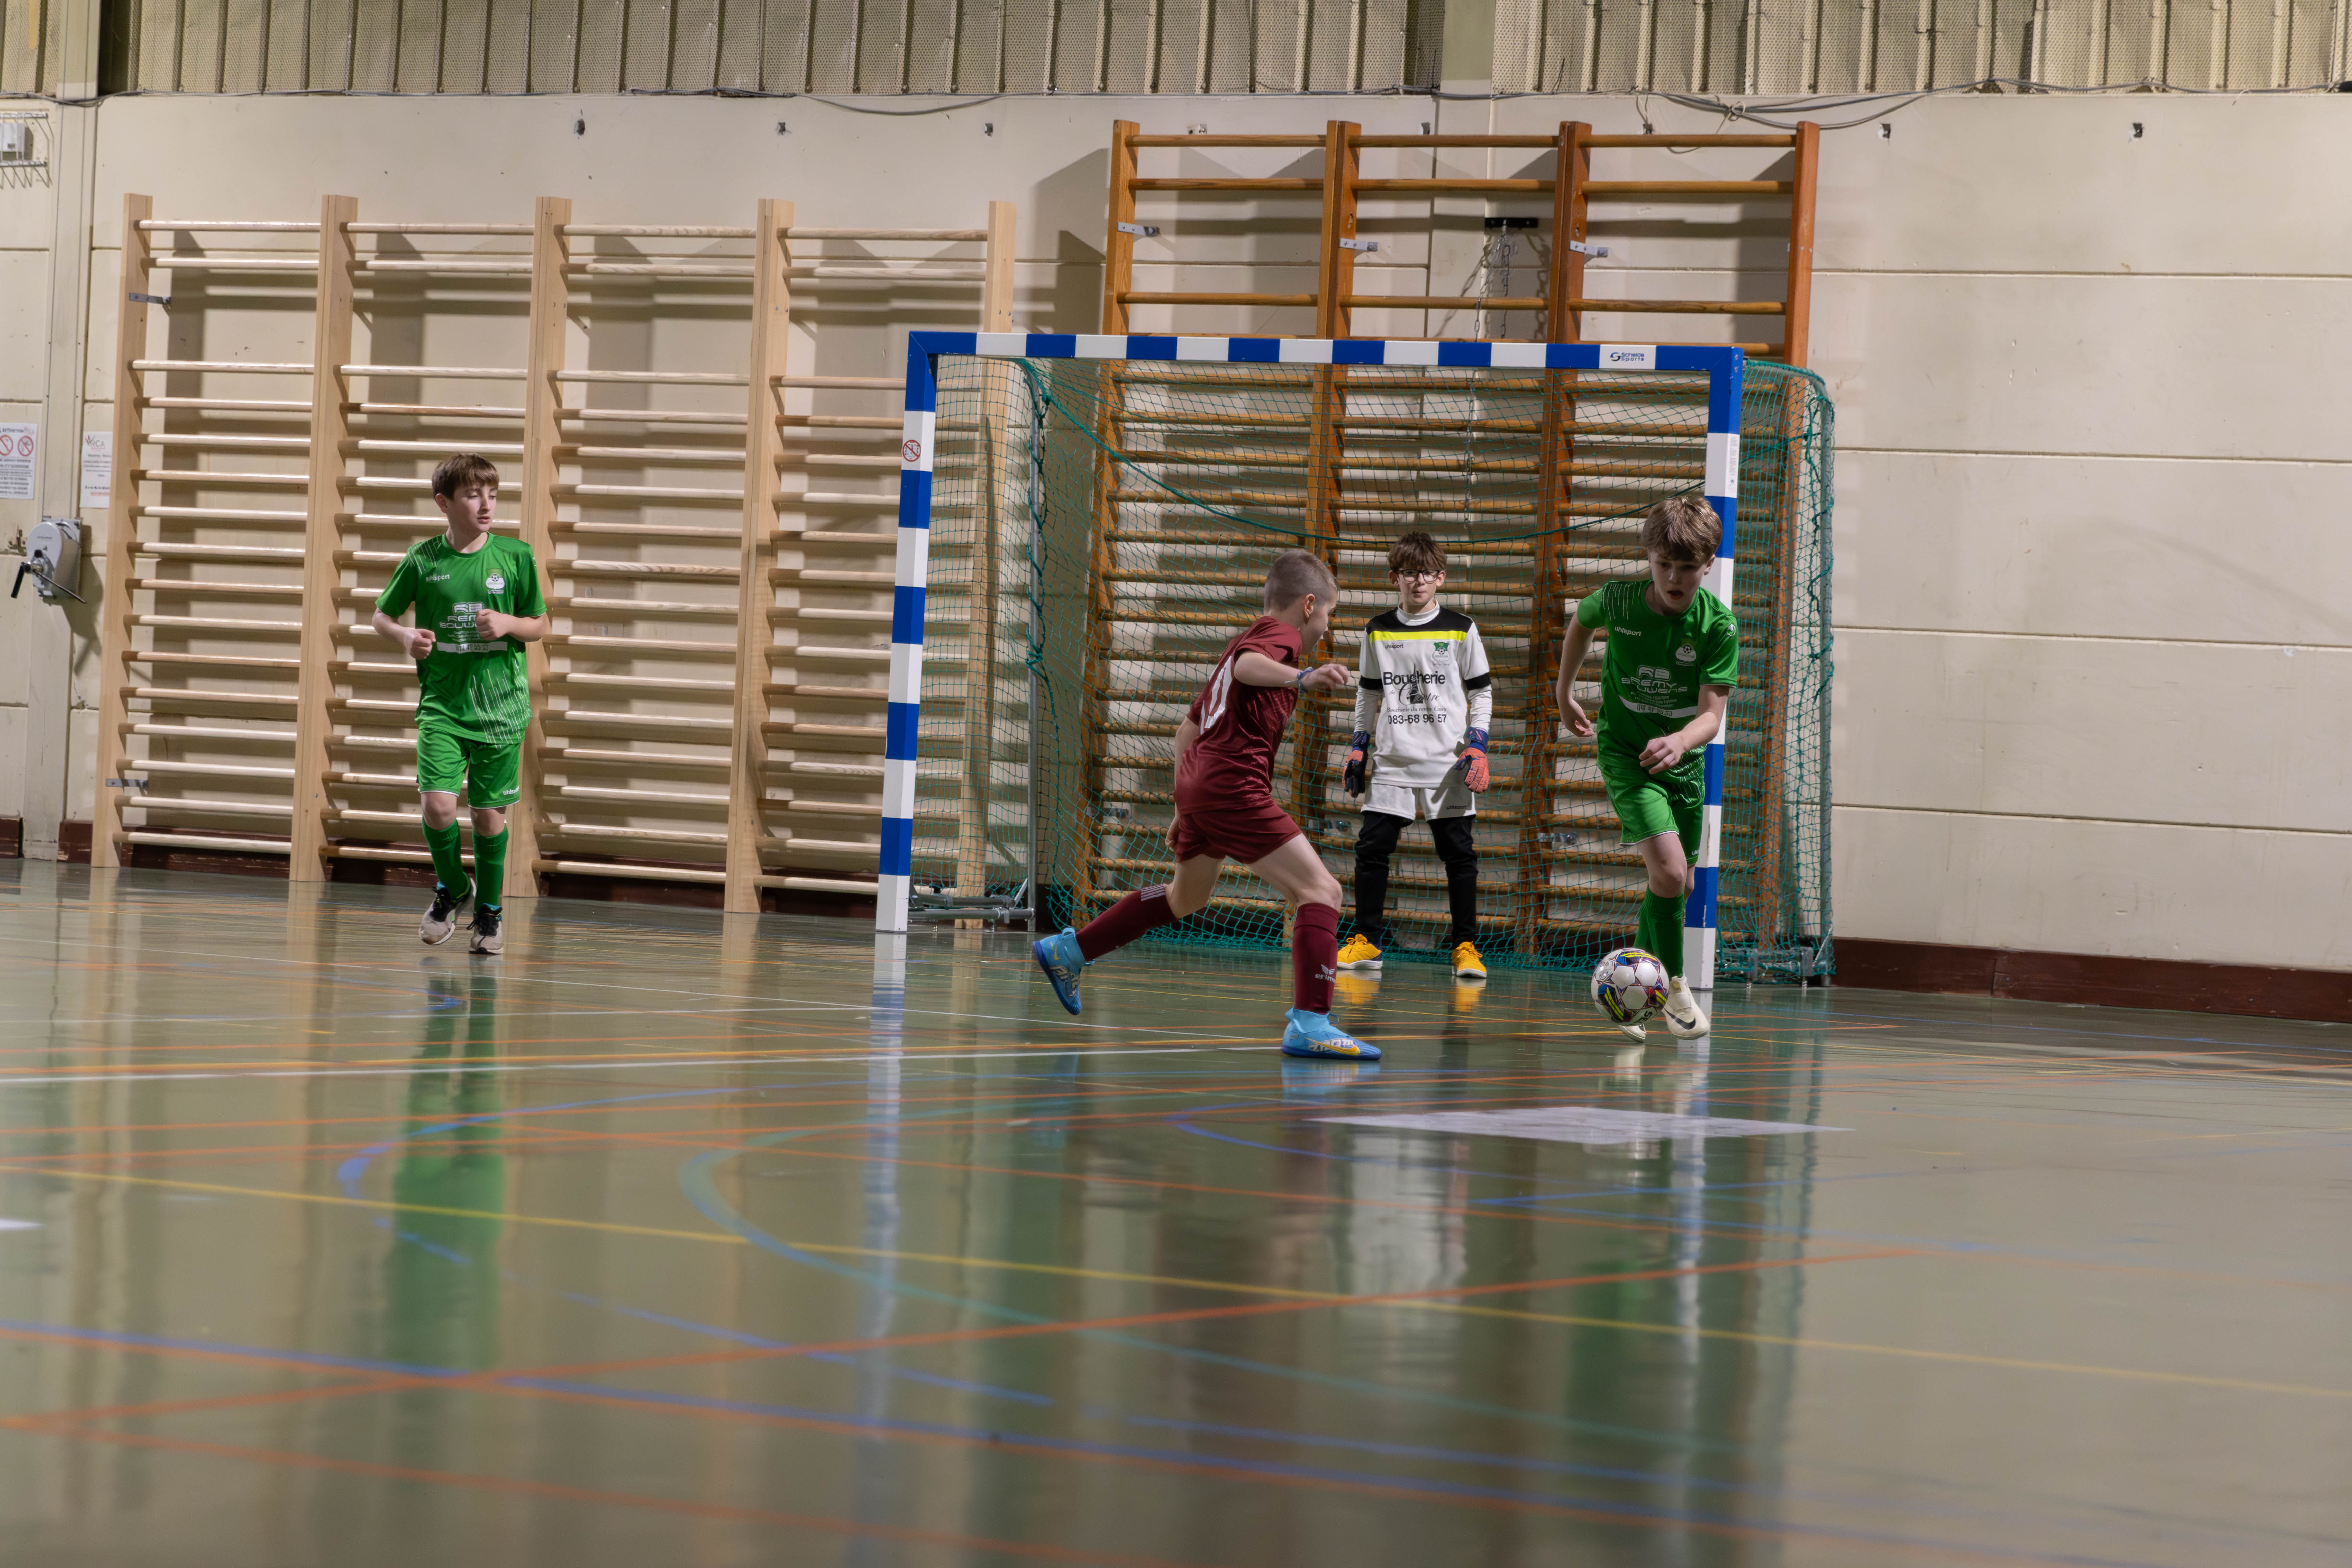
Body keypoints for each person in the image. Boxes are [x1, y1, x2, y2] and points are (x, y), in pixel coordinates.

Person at [1032, 549, 1376, 1060]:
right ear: (1308, 605)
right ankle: (1311, 1023)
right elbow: (1248, 667)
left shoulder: (1239, 642)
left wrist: (1184, 805)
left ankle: (1070, 950)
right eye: (1327, 614)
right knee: (1322, 892)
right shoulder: (1277, 639)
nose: (1326, 629)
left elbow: (1185, 734)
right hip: (1232, 785)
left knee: (1185, 898)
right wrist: (1301, 678)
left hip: (1201, 784)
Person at [1553, 496, 1738, 1041]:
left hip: (1683, 762)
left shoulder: (1718, 626)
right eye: (1664, 565)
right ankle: (1676, 989)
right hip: (1628, 755)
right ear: (1649, 560)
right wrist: (1565, 691)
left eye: (1687, 567)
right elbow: (1581, 624)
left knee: (1678, 884)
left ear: (1709, 564)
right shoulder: (1620, 602)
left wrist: (1680, 741)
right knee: (1673, 873)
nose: (1674, 578)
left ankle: (1631, 995)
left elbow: (1712, 716)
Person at [371, 453, 547, 955]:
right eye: (473, 495)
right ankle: (453, 886)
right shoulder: (422, 560)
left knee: (489, 818)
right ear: (444, 503)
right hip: (443, 708)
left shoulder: (516, 557)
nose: (486, 504)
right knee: (438, 806)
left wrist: (509, 624)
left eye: (492, 495)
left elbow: (539, 623)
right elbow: (381, 617)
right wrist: (406, 637)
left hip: (501, 711)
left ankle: (489, 911)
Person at [1336, 530, 1494, 982]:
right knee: (1372, 849)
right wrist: (1358, 747)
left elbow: (1482, 693)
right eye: (1409, 573)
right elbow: (1368, 695)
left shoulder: (1462, 628)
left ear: (1440, 578)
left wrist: (1478, 744)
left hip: (1448, 763)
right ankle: (1367, 940)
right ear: (1394, 578)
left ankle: (1465, 947)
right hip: (1394, 760)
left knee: (1459, 855)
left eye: (1427, 573)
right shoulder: (1377, 629)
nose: (1418, 581)